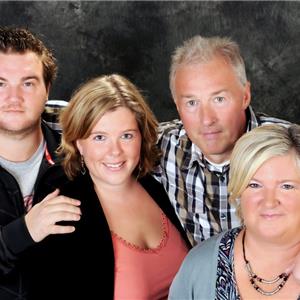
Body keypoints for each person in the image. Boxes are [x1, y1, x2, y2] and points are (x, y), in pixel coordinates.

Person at [35, 74, 191, 299]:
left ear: (142, 137)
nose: (115, 151)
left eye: (126, 136)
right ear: (78, 142)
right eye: (100, 137)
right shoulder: (62, 210)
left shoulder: (155, 185)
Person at [155, 35, 290, 245]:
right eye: (192, 102)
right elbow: (100, 151)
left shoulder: (289, 148)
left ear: (245, 96)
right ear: (177, 105)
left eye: (219, 99)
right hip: (200, 276)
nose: (207, 119)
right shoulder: (163, 146)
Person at [169, 124, 300, 299]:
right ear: (238, 190)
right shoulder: (200, 265)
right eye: (254, 185)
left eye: (287, 186)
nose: (269, 202)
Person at [0, 27, 81, 299]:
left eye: (27, 83)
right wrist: (25, 231)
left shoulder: (81, 154)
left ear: (47, 90)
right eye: (0, 84)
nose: (13, 98)